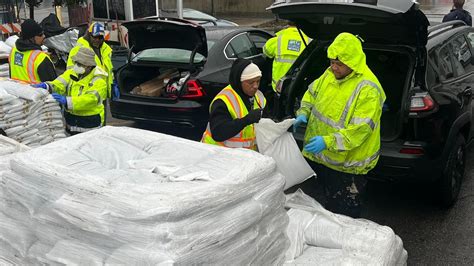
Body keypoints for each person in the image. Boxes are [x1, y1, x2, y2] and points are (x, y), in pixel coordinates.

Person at [293, 32, 386, 218]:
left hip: (348, 166)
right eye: (331, 62)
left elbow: (359, 132)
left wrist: (327, 142)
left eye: (339, 64)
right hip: (323, 158)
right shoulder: (329, 75)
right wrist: (303, 111)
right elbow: (312, 93)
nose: (334, 68)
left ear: (352, 63)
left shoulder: (368, 89)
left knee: (344, 215)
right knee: (322, 210)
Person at [33, 47, 108, 135]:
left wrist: (67, 101)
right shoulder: (72, 73)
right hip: (72, 121)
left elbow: (90, 99)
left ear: (89, 66)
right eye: (76, 62)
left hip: (89, 123)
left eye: (80, 64)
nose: (76, 66)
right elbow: (59, 84)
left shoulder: (99, 81)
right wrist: (47, 86)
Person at [201, 59, 266, 150]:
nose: (255, 86)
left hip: (243, 157)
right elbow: (218, 133)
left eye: (258, 81)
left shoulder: (259, 97)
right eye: (251, 82)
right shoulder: (223, 100)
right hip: (217, 154)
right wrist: (246, 120)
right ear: (239, 82)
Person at [67, 22, 118, 99]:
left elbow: (108, 71)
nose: (97, 40)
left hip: (102, 94)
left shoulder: (106, 50)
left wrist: (111, 87)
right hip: (85, 94)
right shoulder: (79, 49)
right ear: (89, 35)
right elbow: (70, 74)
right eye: (94, 37)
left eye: (100, 37)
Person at [263, 21, 309, 93]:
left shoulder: (278, 39)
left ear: (288, 25)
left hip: (278, 87)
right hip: (299, 86)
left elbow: (266, 52)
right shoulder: (309, 40)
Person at [9, 19, 57, 83]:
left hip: (15, 91)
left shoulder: (13, 51)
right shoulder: (41, 58)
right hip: (36, 92)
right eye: (40, 34)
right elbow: (53, 85)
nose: (44, 36)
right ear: (31, 38)